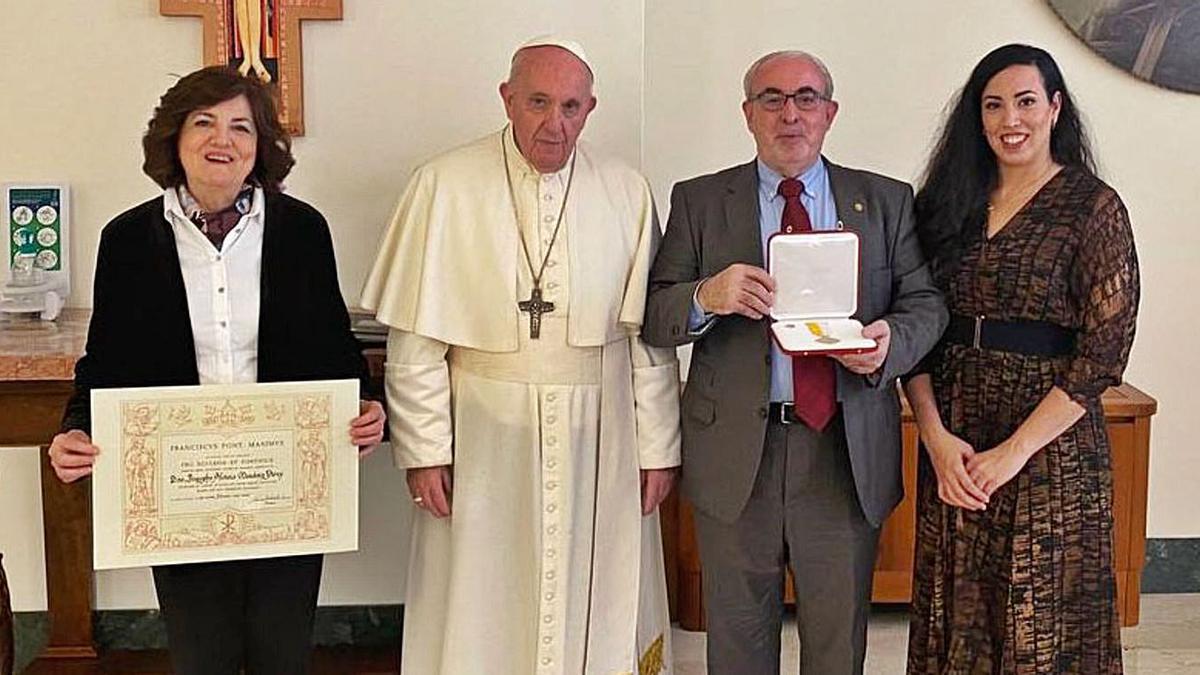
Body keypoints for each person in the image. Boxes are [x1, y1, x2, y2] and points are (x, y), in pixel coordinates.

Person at [46, 65, 384, 675]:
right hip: (181, 485)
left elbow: (335, 347)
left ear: (261, 147)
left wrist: (364, 405)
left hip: (286, 476)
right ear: (174, 138)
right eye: (204, 122)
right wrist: (75, 426)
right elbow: (107, 361)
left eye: (241, 127)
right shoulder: (126, 240)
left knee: (283, 654)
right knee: (202, 656)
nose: (221, 140)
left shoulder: (303, 230)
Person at [360, 35, 681, 675]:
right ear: (507, 99)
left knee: (604, 587)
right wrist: (425, 450)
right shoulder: (443, 184)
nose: (553, 124)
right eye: (537, 102)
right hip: (484, 432)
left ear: (591, 109)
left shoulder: (625, 191)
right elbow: (417, 343)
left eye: (570, 106)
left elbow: (649, 342)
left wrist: (658, 449)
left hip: (603, 433)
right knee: (483, 593)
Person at [643, 50, 946, 674]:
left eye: (806, 98)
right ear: (748, 114)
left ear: (829, 113)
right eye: (772, 99)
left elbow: (926, 304)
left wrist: (889, 342)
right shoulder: (700, 201)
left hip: (841, 450)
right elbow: (655, 314)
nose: (790, 114)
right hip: (735, 455)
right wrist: (706, 295)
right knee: (737, 641)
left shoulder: (884, 200)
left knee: (837, 644)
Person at [904, 43, 1138, 674]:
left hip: (1049, 448)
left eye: (1027, 101)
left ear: (1055, 108)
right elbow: (914, 324)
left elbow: (1103, 352)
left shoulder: (1092, 207)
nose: (1012, 119)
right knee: (956, 610)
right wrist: (933, 436)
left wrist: (1014, 452)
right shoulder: (943, 207)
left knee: (1044, 619)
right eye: (995, 105)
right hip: (955, 437)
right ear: (977, 120)